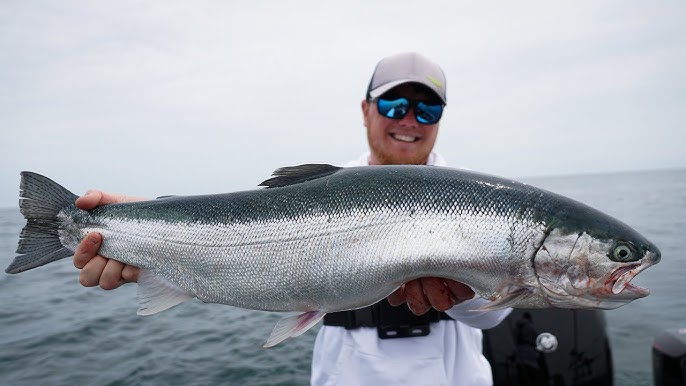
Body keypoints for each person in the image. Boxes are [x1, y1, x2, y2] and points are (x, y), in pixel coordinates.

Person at [73, 52, 511, 385]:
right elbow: (236, 227)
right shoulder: (319, 191)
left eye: (427, 109)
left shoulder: (476, 201)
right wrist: (134, 227)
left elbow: (495, 314)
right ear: (366, 110)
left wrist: (461, 291)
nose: (410, 120)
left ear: (439, 120)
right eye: (395, 104)